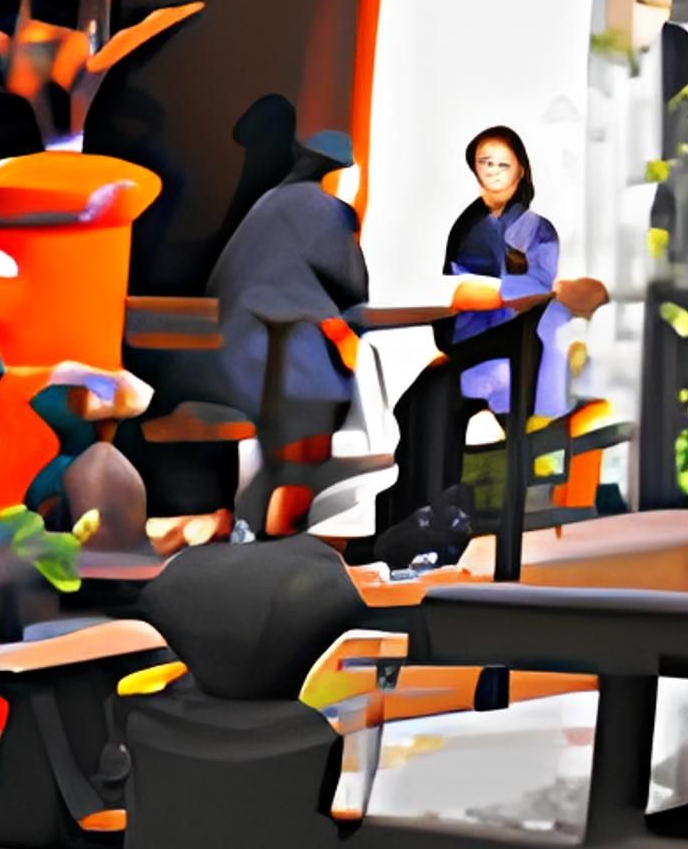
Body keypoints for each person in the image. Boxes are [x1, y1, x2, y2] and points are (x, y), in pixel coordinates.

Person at [380, 124, 604, 561]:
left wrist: (483, 295)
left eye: (503, 164)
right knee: (416, 400)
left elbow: (533, 291)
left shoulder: (537, 229)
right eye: (486, 163)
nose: (495, 172)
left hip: (518, 347)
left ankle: (438, 520)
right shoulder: (466, 226)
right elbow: (454, 291)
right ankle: (414, 519)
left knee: (441, 396)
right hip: (470, 344)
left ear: (520, 170)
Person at [202, 126, 374, 536]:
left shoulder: (268, 203)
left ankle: (254, 526)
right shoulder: (324, 211)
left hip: (231, 358)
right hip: (282, 363)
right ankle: (282, 537)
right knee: (311, 428)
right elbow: (354, 285)